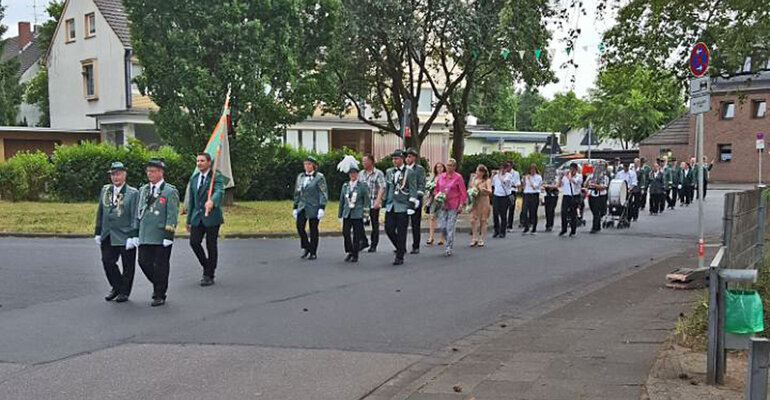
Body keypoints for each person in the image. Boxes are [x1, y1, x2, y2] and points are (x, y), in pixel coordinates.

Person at [137, 158, 180, 307]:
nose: (149, 174)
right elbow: (139, 212)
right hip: (145, 233)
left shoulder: (169, 191)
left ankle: (159, 294)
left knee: (161, 265)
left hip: (161, 234)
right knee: (143, 262)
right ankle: (159, 283)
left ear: (161, 172)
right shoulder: (143, 190)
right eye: (148, 171)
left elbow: (172, 214)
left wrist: (169, 235)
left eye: (153, 171)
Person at [95, 162, 139, 303]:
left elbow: (135, 215)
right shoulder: (105, 190)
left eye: (118, 174)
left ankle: (124, 291)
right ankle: (117, 286)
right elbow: (101, 211)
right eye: (113, 174)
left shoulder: (132, 193)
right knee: (107, 261)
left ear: (124, 175)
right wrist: (98, 231)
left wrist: (134, 235)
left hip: (125, 233)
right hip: (108, 232)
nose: (115, 177)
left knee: (128, 265)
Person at [186, 152, 225, 286]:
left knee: (211, 245)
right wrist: (189, 220)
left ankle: (209, 274)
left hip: (212, 217)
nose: (199, 163)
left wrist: (212, 201)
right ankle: (207, 265)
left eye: (202, 161)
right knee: (194, 242)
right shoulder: (194, 179)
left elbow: (219, 191)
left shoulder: (216, 176)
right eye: (197, 161)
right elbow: (192, 201)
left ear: (209, 162)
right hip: (197, 217)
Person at [384, 149, 419, 266]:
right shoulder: (389, 171)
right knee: (389, 229)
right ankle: (401, 247)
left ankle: (399, 256)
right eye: (393, 159)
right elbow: (388, 187)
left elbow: (413, 189)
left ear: (402, 159)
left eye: (397, 158)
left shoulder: (409, 172)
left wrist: (411, 205)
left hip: (403, 205)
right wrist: (384, 202)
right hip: (391, 205)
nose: (394, 161)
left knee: (401, 232)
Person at [293, 156, 328, 260]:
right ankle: (306, 246)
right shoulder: (301, 177)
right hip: (302, 206)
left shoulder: (319, 177)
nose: (307, 166)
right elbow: (297, 192)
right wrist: (295, 206)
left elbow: (323, 192)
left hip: (314, 206)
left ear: (313, 165)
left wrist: (322, 207)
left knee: (313, 229)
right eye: (305, 164)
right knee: (300, 227)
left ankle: (313, 251)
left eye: (309, 164)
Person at [434, 158, 467, 256]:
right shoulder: (441, 176)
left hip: (453, 204)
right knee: (441, 226)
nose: (449, 167)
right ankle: (447, 239)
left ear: (455, 167)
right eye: (448, 165)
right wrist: (438, 196)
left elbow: (463, 192)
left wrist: (461, 204)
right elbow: (436, 189)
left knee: (450, 226)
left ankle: (449, 247)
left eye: (451, 165)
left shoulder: (458, 177)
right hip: (442, 204)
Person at [338, 165, 370, 263]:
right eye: (351, 173)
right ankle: (350, 250)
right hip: (347, 213)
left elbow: (366, 201)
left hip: (357, 214)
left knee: (357, 235)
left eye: (354, 173)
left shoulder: (362, 186)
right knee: (345, 233)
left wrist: (366, 215)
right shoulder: (345, 186)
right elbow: (342, 201)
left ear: (357, 174)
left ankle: (355, 254)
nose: (352, 175)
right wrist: (340, 215)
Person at [359, 154, 386, 253]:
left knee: (374, 223)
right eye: (362, 161)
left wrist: (378, 200)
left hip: (373, 201)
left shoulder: (378, 173)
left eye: (365, 161)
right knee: (359, 222)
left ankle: (374, 244)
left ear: (371, 161)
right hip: (363, 203)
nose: (363, 163)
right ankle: (363, 241)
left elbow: (382, 187)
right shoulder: (361, 174)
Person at [405, 148, 426, 255]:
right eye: (407, 156)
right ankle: (401, 246)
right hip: (404, 199)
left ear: (414, 158)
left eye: (410, 156)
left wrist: (416, 198)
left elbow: (421, 184)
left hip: (415, 199)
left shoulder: (419, 169)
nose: (408, 159)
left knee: (415, 223)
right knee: (402, 224)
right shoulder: (404, 169)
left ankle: (416, 246)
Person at [469, 164, 492, 247]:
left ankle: (481, 238)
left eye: (478, 171)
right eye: (476, 170)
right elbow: (470, 188)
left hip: (484, 201)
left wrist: (484, 190)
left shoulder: (487, 180)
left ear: (482, 172)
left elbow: (490, 191)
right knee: (472, 219)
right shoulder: (473, 179)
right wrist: (472, 191)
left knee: (483, 220)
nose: (476, 172)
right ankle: (474, 238)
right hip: (475, 200)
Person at [425, 162, 446, 246]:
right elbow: (429, 188)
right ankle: (431, 237)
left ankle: (441, 238)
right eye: (437, 167)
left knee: (442, 218)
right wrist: (430, 187)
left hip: (442, 199)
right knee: (432, 217)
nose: (439, 169)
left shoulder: (446, 177)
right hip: (433, 199)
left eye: (441, 167)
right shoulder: (434, 177)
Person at [559, 163, 583, 238]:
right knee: (563, 213)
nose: (571, 170)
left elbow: (575, 182)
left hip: (574, 196)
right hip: (566, 195)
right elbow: (561, 184)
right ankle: (564, 229)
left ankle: (573, 231)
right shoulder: (566, 176)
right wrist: (561, 177)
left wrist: (569, 176)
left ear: (576, 169)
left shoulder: (579, 176)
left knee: (573, 214)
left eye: (573, 169)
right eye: (570, 169)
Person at [491, 162, 513, 238]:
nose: (502, 170)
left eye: (504, 168)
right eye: (501, 168)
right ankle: (496, 230)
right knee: (495, 213)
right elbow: (492, 184)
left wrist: (499, 175)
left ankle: (502, 231)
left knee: (503, 214)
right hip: (496, 195)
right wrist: (492, 175)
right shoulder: (496, 176)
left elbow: (504, 181)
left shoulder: (509, 176)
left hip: (504, 197)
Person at [585, 168, 609, 233]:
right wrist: (588, 181)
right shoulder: (591, 176)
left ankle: (595, 227)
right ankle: (598, 225)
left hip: (600, 195)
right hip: (591, 194)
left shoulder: (605, 177)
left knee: (596, 211)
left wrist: (594, 185)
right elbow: (585, 185)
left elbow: (603, 187)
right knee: (593, 210)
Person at [521, 164, 542, 235]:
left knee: (533, 212)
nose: (532, 171)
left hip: (534, 194)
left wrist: (529, 179)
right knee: (524, 211)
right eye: (531, 170)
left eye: (533, 169)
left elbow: (534, 186)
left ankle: (534, 228)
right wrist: (524, 180)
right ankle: (526, 227)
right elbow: (524, 186)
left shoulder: (538, 177)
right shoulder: (527, 176)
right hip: (526, 194)